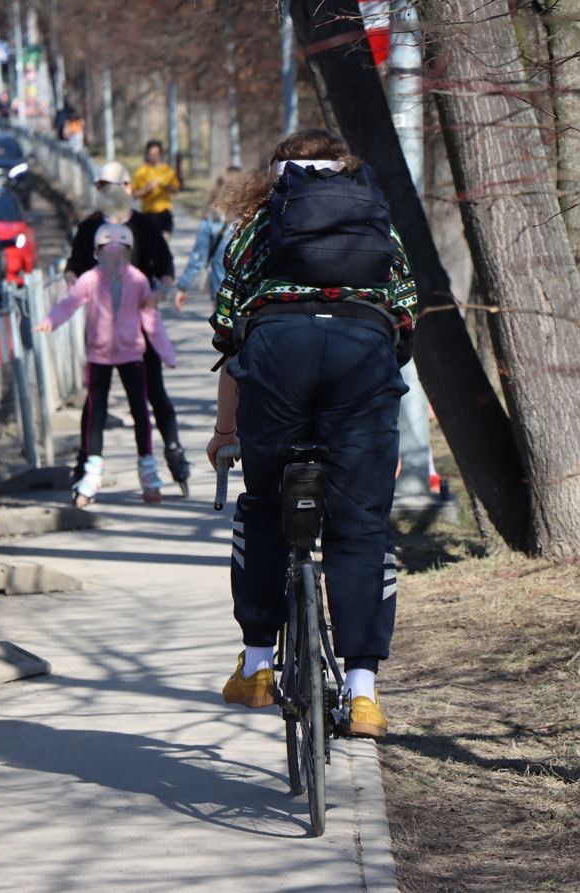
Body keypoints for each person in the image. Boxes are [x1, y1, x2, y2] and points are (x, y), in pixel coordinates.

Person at [206, 129, 419, 739]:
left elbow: (229, 333)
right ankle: (364, 695)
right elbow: (404, 318)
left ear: (276, 175)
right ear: (345, 171)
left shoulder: (256, 229)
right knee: (362, 524)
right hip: (363, 356)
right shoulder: (379, 227)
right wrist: (380, 441)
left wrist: (226, 431)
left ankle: (256, 666)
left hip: (279, 355)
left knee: (264, 506)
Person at [68, 162, 190, 491]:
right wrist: (75, 292)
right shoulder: (88, 227)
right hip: (102, 330)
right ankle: (84, 464)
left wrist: (158, 292)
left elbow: (165, 268)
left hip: (138, 328)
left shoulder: (145, 226)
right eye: (102, 185)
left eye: (115, 185)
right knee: (96, 399)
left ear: (128, 188)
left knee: (152, 392)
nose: (109, 192)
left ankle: (174, 452)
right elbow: (73, 268)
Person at [36, 223, 171, 506]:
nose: (113, 257)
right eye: (107, 252)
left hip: (132, 353)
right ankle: (91, 473)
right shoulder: (89, 279)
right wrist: (50, 321)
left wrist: (165, 352)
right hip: (99, 355)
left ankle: (148, 472)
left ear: (128, 253)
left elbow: (151, 320)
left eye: (119, 252)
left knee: (140, 412)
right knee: (96, 413)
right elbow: (69, 304)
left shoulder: (137, 280)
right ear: (98, 253)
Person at [173, 167, 244, 312]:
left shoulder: (212, 220)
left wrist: (183, 287)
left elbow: (198, 258)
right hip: (248, 294)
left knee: (223, 330)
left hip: (221, 292)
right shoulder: (252, 217)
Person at [130, 140, 181, 235]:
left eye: (156, 154)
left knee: (164, 245)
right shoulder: (141, 172)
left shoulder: (167, 170)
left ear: (161, 154)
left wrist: (167, 186)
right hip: (148, 214)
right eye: (151, 154)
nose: (154, 157)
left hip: (164, 213)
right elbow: (133, 194)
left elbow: (176, 189)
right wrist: (147, 189)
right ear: (147, 154)